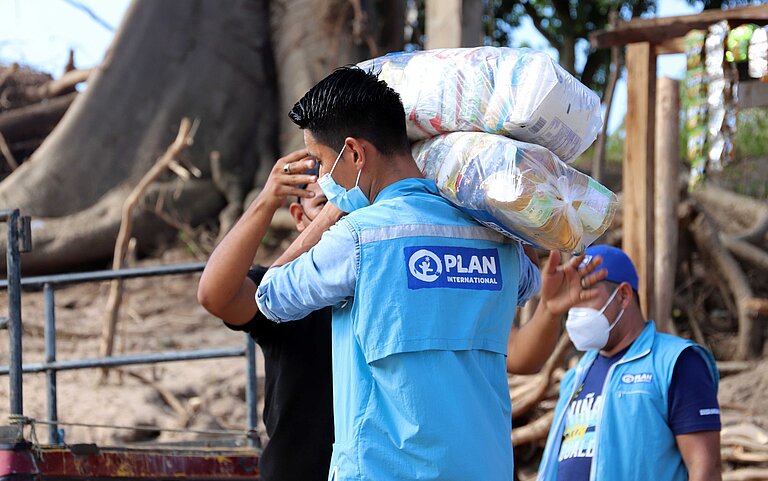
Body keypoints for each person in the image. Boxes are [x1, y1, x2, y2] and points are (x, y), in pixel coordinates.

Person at [255, 65, 608, 481]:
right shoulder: (494, 238)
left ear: (354, 154)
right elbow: (526, 284)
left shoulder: (358, 238)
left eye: (322, 162)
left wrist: (330, 214)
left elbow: (270, 296)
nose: (323, 177)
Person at [197, 151, 334, 481]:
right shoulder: (287, 290)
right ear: (299, 216)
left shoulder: (388, 276)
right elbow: (215, 295)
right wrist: (267, 199)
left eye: (346, 204)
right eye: (323, 205)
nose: (338, 215)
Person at [538, 244, 722, 481]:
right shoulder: (576, 376)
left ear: (623, 296)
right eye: (571, 299)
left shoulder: (677, 362)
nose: (574, 311)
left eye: (584, 296)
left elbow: (705, 468)